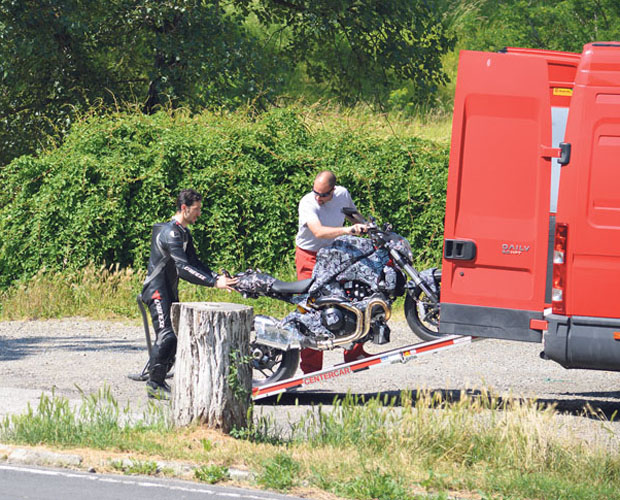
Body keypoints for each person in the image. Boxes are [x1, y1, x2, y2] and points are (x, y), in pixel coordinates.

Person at [141, 188, 238, 398]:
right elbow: (183, 269)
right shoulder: (171, 233)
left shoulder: (183, 232)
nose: (199, 214)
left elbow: (194, 262)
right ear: (184, 208)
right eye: (196, 209)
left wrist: (217, 276)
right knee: (167, 335)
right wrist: (213, 283)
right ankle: (154, 384)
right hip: (156, 290)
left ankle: (157, 373)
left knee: (174, 335)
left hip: (168, 290)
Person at [295, 170, 369, 374]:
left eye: (323, 195)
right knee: (311, 308)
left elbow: (351, 214)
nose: (318, 198)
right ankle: (310, 367)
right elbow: (318, 231)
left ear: (333, 191)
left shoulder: (342, 194)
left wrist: (365, 226)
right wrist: (347, 231)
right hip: (309, 256)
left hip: (334, 254)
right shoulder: (308, 202)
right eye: (315, 192)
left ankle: (354, 354)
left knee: (351, 299)